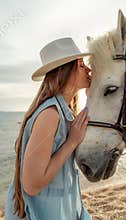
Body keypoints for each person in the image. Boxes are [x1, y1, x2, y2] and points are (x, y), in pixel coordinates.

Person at [5, 37, 93, 220]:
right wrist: (72, 141)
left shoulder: (64, 112)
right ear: (67, 70)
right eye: (81, 65)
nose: (88, 69)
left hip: (63, 209)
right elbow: (32, 184)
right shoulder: (50, 114)